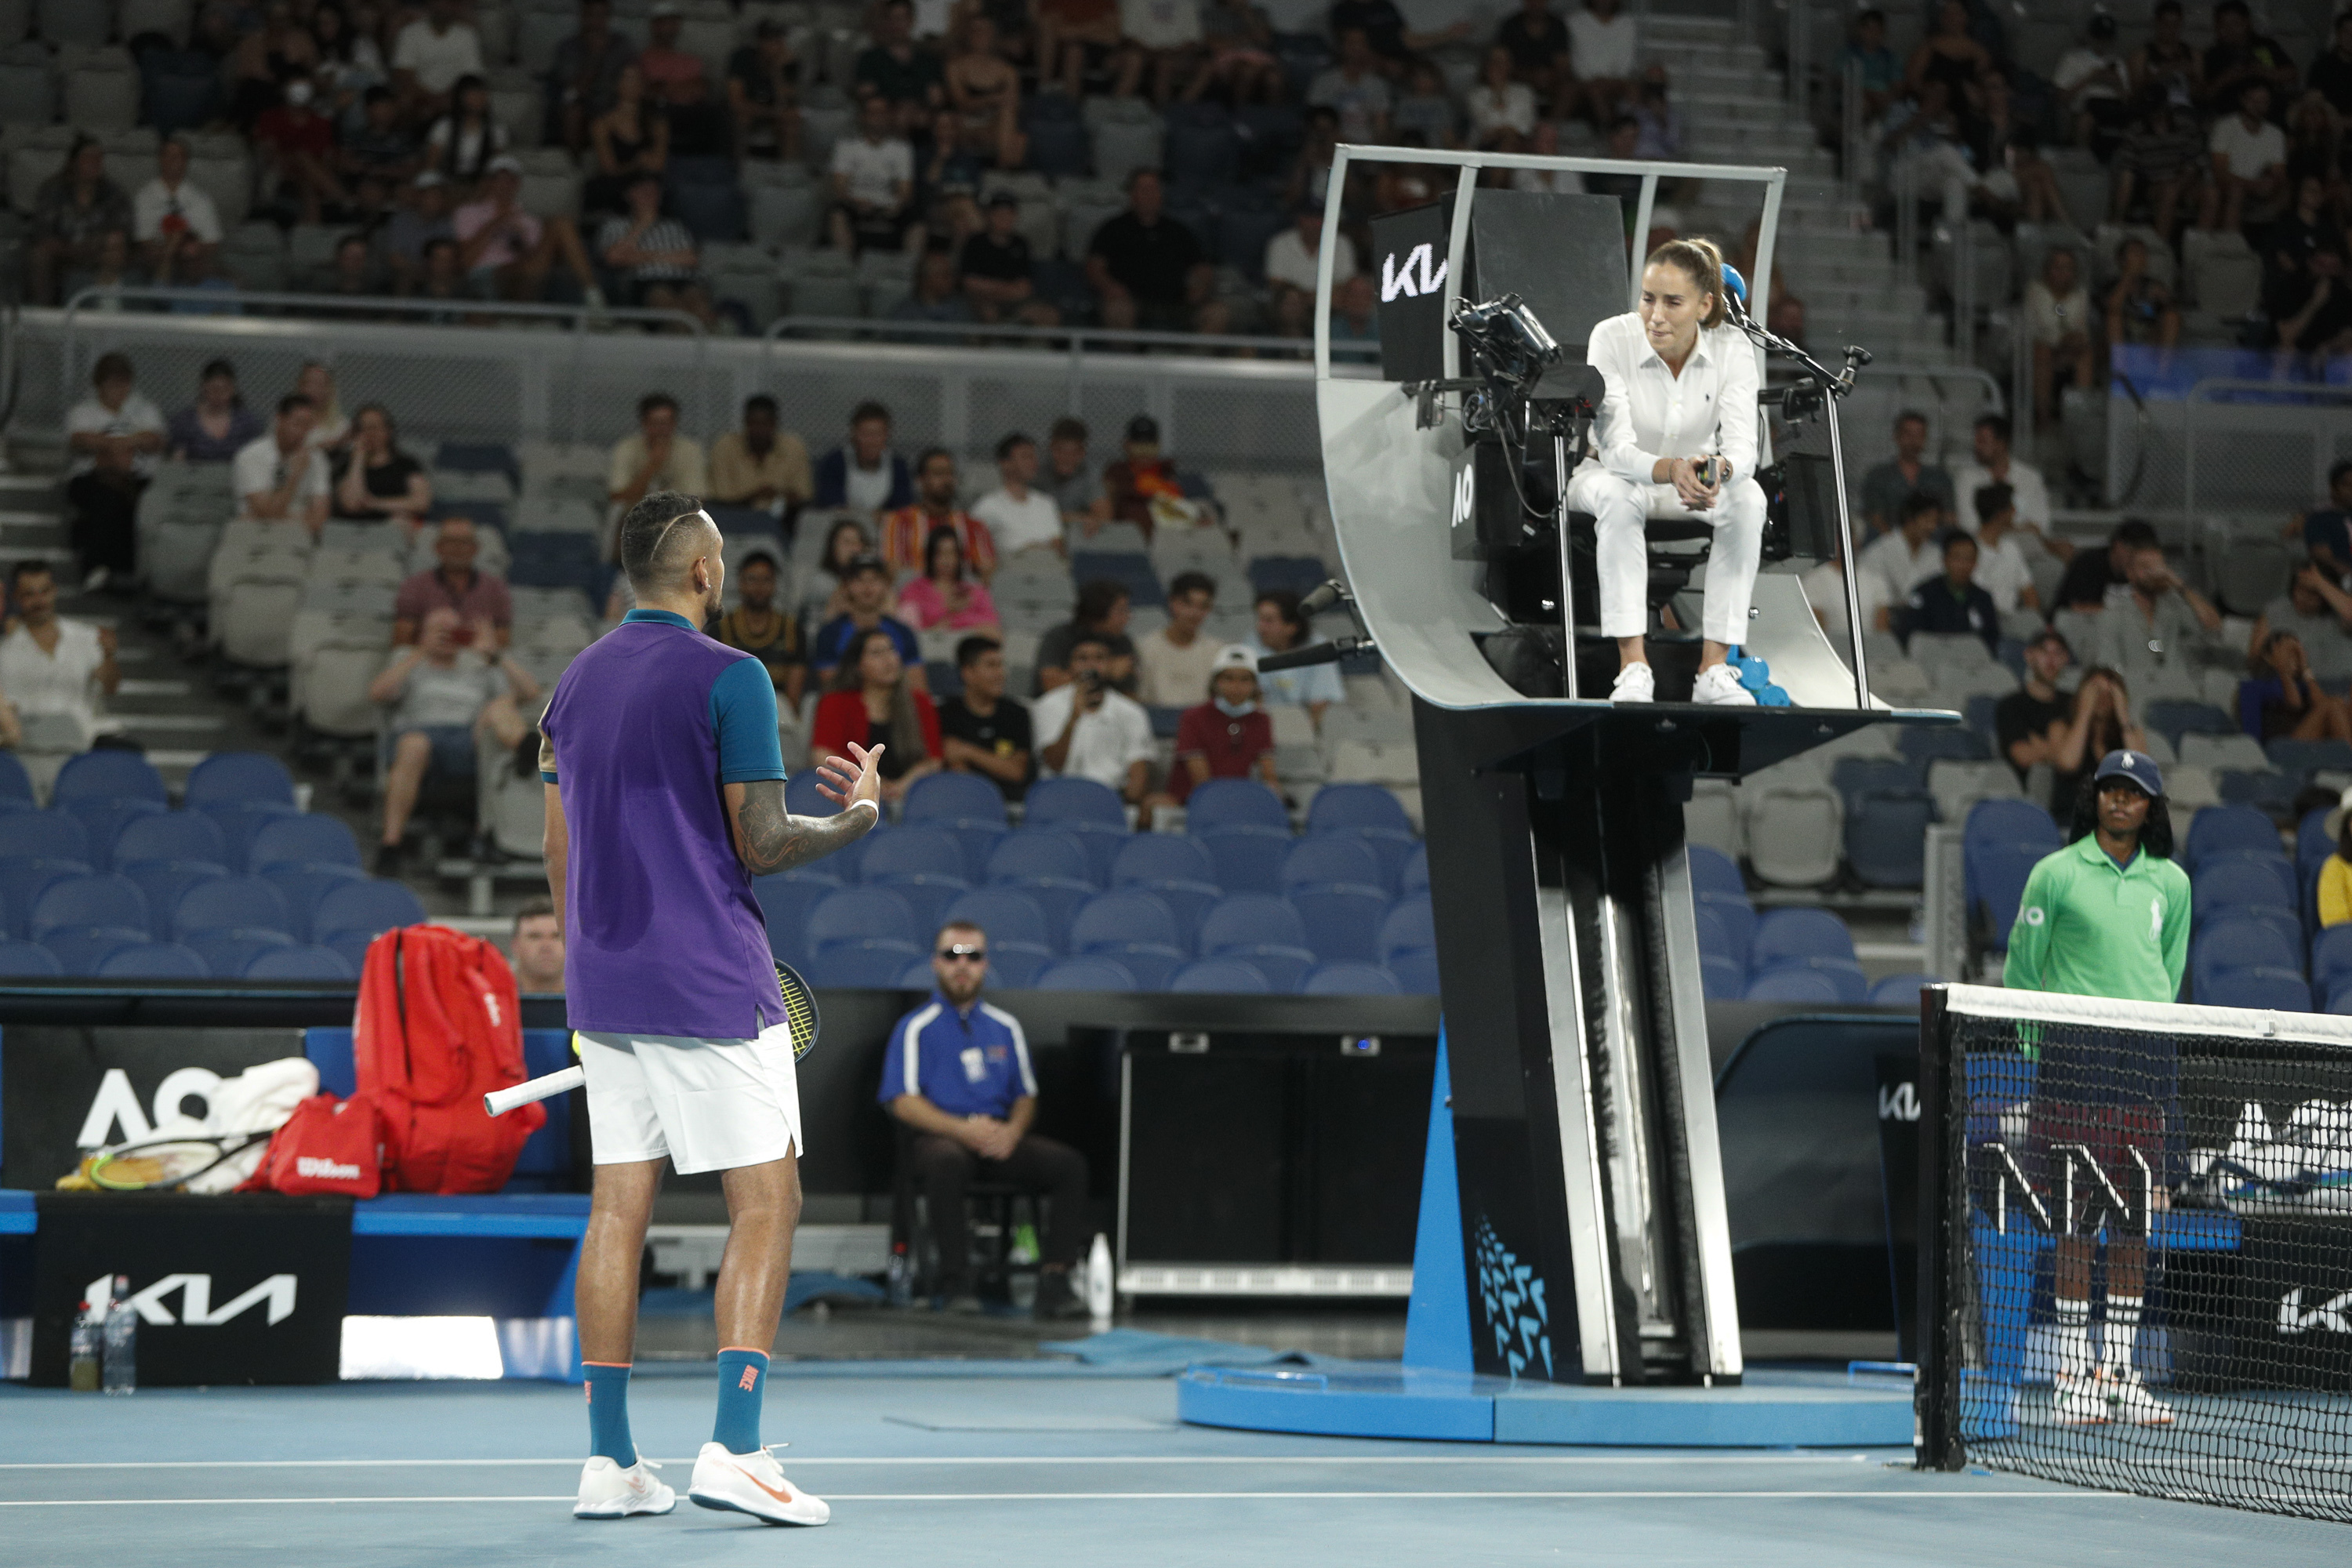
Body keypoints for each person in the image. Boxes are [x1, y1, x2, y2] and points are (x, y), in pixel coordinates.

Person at [539, 490, 878, 1526]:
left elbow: (557, 848)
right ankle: (735, 1446)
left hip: (604, 985)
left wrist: (588, 967)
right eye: (720, 556)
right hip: (709, 981)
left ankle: (610, 1463)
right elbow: (762, 842)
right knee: (766, 1204)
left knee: (616, 1209)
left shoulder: (572, 682)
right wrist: (858, 815)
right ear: (701, 571)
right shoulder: (735, 675)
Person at [2002, 747, 2187, 1432]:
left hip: (2144, 1060)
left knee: (2134, 1223)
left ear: (2150, 807)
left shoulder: (2173, 883)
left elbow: (2169, 970)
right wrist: (2037, 1046)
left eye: (2134, 793)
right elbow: (2023, 969)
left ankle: (2121, 1372)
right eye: (2111, 789)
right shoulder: (2054, 874)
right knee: (2075, 1220)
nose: (2121, 800)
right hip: (2073, 1059)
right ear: (2096, 797)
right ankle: (2074, 1372)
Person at [1563, 238, 1763, 706]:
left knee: (1749, 499)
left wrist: (1717, 472)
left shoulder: (1734, 346)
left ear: (1705, 305)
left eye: (1673, 302)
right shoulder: (1611, 337)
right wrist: (1671, 469)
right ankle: (1633, 666)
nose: (1655, 315)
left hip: (1691, 481)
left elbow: (1742, 449)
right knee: (1618, 498)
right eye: (1648, 298)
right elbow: (1616, 450)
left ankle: (1714, 669)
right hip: (1611, 475)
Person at [881, 920, 1090, 1316]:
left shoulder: (1005, 1026)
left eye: (972, 956)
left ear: (985, 964)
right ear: (936, 963)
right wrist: (962, 1130)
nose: (962, 965)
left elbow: (1026, 1096)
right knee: (946, 1161)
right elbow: (902, 1102)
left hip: (997, 1139)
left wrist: (1012, 1132)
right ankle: (956, 1282)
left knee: (1069, 1166)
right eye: (952, 955)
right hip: (940, 1137)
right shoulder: (915, 1027)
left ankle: (1056, 1281)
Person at [368, 605, 542, 869]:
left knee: (500, 706)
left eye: (453, 631)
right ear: (423, 633)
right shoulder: (408, 657)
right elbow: (377, 693)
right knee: (414, 745)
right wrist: (422, 651)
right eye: (439, 630)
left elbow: (531, 693)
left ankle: (527, 750)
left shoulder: (479, 662)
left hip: (469, 739)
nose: (446, 636)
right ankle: (391, 845)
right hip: (421, 735)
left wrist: (496, 655)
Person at [64, 354, 166, 593]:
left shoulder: (144, 409)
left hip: (137, 479)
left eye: (124, 383)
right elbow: (79, 440)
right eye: (113, 384)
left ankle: (131, 571)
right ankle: (98, 567)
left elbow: (155, 440)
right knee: (107, 499)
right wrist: (125, 444)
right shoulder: (84, 411)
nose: (120, 390)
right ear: (100, 385)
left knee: (140, 501)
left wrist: (114, 444)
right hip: (92, 479)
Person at [1086, 169, 1229, 336]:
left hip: (1178, 303)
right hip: (1131, 302)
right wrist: (1110, 287)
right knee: (1116, 310)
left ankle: (1191, 353)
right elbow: (1094, 266)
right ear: (1132, 194)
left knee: (1218, 313)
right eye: (1143, 189)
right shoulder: (1112, 229)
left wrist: (1199, 285)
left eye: (1154, 189)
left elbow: (1202, 267)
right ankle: (1127, 353)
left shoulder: (1179, 231)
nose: (1149, 195)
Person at [810, 626, 942, 802]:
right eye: (876, 653)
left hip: (912, 796)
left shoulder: (920, 703)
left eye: (892, 650)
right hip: (853, 795)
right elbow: (822, 756)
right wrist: (869, 782)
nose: (888, 659)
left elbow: (933, 760)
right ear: (858, 666)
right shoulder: (836, 702)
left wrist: (903, 785)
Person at [0, 561, 118, 754]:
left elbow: (110, 688)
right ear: (16, 598)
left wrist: (108, 657)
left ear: (54, 591)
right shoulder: (5, 651)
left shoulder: (87, 638)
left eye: (44, 591)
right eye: (29, 594)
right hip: (29, 747)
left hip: (86, 741)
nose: (39, 601)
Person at [1032, 632, 1157, 804]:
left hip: (1110, 798)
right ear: (1070, 666)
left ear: (1110, 664)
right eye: (1082, 659)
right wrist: (1074, 717)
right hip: (1059, 797)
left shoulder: (1131, 712)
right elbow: (1054, 763)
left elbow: (1138, 774)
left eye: (1099, 658)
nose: (1091, 665)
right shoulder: (1048, 705)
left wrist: (1123, 809)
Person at [456, 156, 601, 305]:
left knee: (561, 224)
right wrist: (497, 223)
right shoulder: (468, 213)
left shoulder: (529, 220)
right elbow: (466, 261)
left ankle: (594, 298)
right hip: (483, 277)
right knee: (518, 272)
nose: (504, 185)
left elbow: (535, 263)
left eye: (509, 180)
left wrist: (520, 241)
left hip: (524, 280)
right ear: (489, 182)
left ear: (517, 184)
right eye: (498, 179)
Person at [2091, 540, 2222, 694]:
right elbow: (2109, 668)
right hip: (2135, 693)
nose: (2154, 572)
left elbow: (2213, 626)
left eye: (2159, 566)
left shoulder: (2175, 608)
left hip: (2177, 692)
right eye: (2146, 567)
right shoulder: (2114, 615)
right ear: (2130, 573)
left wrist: (2178, 584)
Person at [596, 172, 718, 326]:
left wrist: (640, 256)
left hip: (684, 279)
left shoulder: (674, 226)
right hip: (646, 282)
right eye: (643, 191)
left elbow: (690, 258)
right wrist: (642, 225)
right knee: (666, 303)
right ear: (628, 194)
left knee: (699, 305)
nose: (649, 196)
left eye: (653, 191)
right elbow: (613, 258)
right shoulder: (615, 226)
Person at [27, 138, 134, 306]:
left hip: (99, 256)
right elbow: (43, 235)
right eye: (88, 157)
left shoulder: (114, 194)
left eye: (98, 158)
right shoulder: (53, 190)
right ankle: (44, 314)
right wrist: (74, 249)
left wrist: (98, 246)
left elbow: (122, 233)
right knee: (39, 255)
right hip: (62, 257)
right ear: (73, 162)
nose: (95, 162)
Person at [1171, 644, 1276, 803]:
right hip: (1190, 799)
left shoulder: (1261, 720)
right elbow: (1201, 779)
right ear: (1216, 682)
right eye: (1229, 678)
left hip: (1239, 799)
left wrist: (1274, 798)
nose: (1236, 686)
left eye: (1245, 679)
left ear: (1255, 685)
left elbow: (1268, 773)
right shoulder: (1193, 717)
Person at [706, 549, 806, 712]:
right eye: (752, 579)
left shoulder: (792, 630)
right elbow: (716, 686)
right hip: (734, 711)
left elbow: (793, 699)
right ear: (740, 582)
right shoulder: (721, 630)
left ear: (775, 583)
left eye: (766, 579)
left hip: (779, 714)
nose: (759, 587)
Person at [394, 515, 514, 647]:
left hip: (479, 655)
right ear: (438, 547)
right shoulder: (414, 585)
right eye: (450, 542)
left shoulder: (496, 588)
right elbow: (401, 642)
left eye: (464, 542)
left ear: (475, 548)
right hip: (427, 654)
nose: (458, 548)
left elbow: (503, 641)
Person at [938, 634, 1033, 798]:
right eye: (991, 665)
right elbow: (954, 767)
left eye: (1001, 665)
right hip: (958, 799)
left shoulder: (1017, 714)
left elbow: (1016, 771)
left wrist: (967, 751)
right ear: (967, 673)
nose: (1001, 673)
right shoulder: (945, 714)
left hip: (1009, 804)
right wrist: (997, 763)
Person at [881, 450, 997, 583]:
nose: (946, 480)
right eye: (938, 473)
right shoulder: (899, 521)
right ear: (920, 480)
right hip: (915, 592)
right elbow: (893, 570)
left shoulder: (973, 525)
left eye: (950, 474)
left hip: (962, 593)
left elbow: (987, 571)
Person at [2109, 88, 2206, 240]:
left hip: (2186, 181)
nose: (2156, 113)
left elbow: (2195, 162)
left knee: (2211, 195)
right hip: (2153, 185)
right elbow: (2127, 174)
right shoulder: (2135, 132)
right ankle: (2160, 245)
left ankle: (2201, 245)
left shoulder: (2186, 126)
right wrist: (2118, 216)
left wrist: (2181, 182)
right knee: (2169, 192)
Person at [810, 554, 923, 683]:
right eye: (859, 580)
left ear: (886, 586)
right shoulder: (830, 634)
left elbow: (917, 686)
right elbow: (830, 687)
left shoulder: (903, 632)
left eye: (875, 579)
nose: (867, 586)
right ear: (846, 586)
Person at [828, 95, 919, 256]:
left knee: (917, 221)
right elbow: (839, 187)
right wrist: (854, 202)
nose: (878, 117)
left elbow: (905, 190)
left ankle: (907, 267)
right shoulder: (846, 146)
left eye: (882, 112)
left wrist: (897, 205)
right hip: (856, 204)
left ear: (889, 116)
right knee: (837, 215)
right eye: (873, 112)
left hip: (889, 206)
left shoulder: (902, 148)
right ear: (863, 116)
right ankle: (844, 264)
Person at [133, 136, 223, 288]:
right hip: (155, 265)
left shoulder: (201, 199)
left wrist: (190, 250)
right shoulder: (144, 197)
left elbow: (212, 241)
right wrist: (169, 250)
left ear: (186, 161)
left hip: (193, 266)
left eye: (178, 156)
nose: (172, 160)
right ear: (160, 159)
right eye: (168, 155)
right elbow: (143, 241)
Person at [234, 395, 331, 535]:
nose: (303, 432)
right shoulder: (250, 456)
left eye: (308, 426)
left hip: (301, 536)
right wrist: (294, 475)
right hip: (256, 534)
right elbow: (267, 514)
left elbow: (319, 519)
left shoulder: (317, 458)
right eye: (298, 424)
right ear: (279, 420)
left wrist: (281, 519)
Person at [960, 192, 1059, 327]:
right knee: (988, 312)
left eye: (1008, 214)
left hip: (1014, 302)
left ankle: (1025, 337)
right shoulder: (976, 242)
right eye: (999, 214)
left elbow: (1025, 287)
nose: (1004, 218)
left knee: (1049, 315)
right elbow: (970, 283)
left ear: (1015, 216)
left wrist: (994, 288)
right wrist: (1006, 289)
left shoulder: (1020, 244)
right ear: (989, 215)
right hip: (983, 301)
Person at [2201, 81, 2289, 232]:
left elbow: (2278, 173)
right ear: (2243, 100)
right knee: (2232, 193)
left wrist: (2269, 183)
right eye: (2254, 100)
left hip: (2257, 192)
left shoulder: (2276, 134)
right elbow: (2220, 173)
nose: (2258, 106)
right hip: (2223, 187)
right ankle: (2225, 242)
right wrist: (2253, 185)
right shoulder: (2225, 126)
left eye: (2263, 101)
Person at [1950, 413, 2054, 540]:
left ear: (2002, 443)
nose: (1977, 446)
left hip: (2023, 546)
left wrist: (1996, 529)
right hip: (1982, 545)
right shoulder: (1967, 478)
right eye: (1976, 441)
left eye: (1983, 441)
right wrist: (2014, 528)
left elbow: (2041, 526)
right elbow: (1969, 524)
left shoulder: (2030, 478)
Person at [2025, 248, 2097, 432]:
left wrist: (2072, 341)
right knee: (2042, 351)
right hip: (2035, 349)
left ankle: (2080, 419)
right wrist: (2062, 339)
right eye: (2057, 267)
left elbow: (2081, 329)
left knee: (2086, 354)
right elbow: (2037, 328)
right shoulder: (2035, 291)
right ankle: (2043, 418)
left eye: (2067, 268)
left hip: (2068, 350)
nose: (2062, 272)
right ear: (2047, 269)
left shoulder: (2080, 295)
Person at [1248, 587, 1343, 726]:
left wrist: (1299, 733)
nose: (1260, 627)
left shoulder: (1320, 649)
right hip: (1260, 726)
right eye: (1260, 619)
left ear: (1291, 627)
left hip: (1304, 728)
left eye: (1268, 621)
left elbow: (1320, 704)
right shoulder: (1251, 643)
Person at [552, 0, 638, 153]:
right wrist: (595, 56)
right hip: (585, 105)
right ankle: (574, 160)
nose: (596, 22)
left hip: (616, 103)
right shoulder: (568, 47)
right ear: (583, 17)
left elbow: (634, 78)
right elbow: (574, 90)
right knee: (573, 112)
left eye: (601, 16)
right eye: (591, 15)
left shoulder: (621, 45)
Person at [331, 403, 434, 531]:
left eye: (374, 427)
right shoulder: (345, 465)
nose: (369, 433)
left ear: (388, 430)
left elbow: (421, 502)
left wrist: (375, 503)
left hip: (390, 528)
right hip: (351, 529)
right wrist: (358, 458)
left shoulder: (406, 465)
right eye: (363, 429)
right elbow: (352, 504)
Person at [1895, 530, 2000, 655]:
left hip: (1971, 661)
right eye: (1957, 558)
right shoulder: (1924, 593)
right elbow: (1909, 636)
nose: (1963, 565)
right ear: (1945, 560)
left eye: (1969, 559)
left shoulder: (1983, 598)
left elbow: (1991, 641)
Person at [708, 396, 812, 520]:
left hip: (784, 520)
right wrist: (757, 495)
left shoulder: (794, 447)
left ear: (775, 424)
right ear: (745, 423)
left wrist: (778, 495)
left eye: (766, 424)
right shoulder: (725, 447)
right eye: (754, 423)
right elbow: (720, 499)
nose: (759, 430)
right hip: (734, 518)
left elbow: (804, 496)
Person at [2248, 562, 2352, 682]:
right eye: (2299, 588)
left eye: (2312, 592)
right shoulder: (2275, 611)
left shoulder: (2339, 614)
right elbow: (2254, 659)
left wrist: (2319, 582)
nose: (2302, 596)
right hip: (2291, 686)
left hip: (2341, 684)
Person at [2240, 630, 2352, 742]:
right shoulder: (2253, 687)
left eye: (2297, 653)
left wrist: (2305, 669)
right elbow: (2295, 705)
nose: (2294, 658)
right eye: (2288, 651)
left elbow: (2322, 704)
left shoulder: (2304, 686)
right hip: (2278, 745)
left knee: (2339, 703)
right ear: (2269, 656)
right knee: (2333, 705)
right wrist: (2284, 673)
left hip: (2309, 742)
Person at [586, 63, 667, 215]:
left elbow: (658, 164)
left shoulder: (656, 122)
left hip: (648, 183)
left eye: (638, 78)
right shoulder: (602, 124)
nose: (634, 83)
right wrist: (637, 163)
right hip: (617, 184)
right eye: (628, 78)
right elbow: (609, 168)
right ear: (616, 83)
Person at [1264, 205, 1356, 337]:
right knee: (1290, 300)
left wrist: (1312, 297)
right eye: (1309, 218)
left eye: (1319, 218)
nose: (1314, 223)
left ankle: (1338, 343)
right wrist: (1305, 298)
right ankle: (1290, 345)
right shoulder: (1280, 242)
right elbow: (1275, 282)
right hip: (1293, 301)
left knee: (1352, 296)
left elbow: (1348, 282)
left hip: (1331, 303)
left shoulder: (1342, 242)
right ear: (1299, 219)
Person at [1857, 491, 1945, 630]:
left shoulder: (1937, 554)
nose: (1932, 527)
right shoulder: (1878, 552)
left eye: (1935, 522)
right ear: (1910, 518)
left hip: (1927, 624)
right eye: (1927, 519)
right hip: (1888, 623)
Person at [1995, 627, 2074, 782]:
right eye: (2044, 652)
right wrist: (2064, 751)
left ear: (2066, 659)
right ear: (2029, 656)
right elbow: (2023, 756)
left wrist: (2042, 746)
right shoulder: (2011, 706)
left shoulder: (2074, 703)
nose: (2051, 660)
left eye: (2058, 653)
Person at [1860, 410, 1956, 535]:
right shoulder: (1878, 476)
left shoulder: (1940, 478)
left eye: (1919, 435)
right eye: (1908, 434)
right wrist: (1899, 543)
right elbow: (1875, 517)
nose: (1913, 440)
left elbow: (1948, 518)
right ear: (1896, 436)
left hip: (1931, 542)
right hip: (1887, 541)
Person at [1135, 570, 1221, 707]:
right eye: (1188, 604)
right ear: (1172, 602)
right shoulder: (1145, 648)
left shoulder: (1216, 651)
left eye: (1203, 606)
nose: (1194, 613)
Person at [608, 392, 708, 510]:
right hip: (633, 513)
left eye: (666, 423)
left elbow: (697, 497)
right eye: (655, 423)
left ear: (675, 423)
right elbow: (617, 496)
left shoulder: (690, 450)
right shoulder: (626, 448)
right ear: (644, 423)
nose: (661, 429)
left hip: (678, 513)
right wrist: (652, 466)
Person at [971, 433, 1066, 557]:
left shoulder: (1046, 503)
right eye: (1026, 456)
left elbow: (1059, 546)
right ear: (1005, 463)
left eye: (1034, 456)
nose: (1033, 462)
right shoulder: (987, 506)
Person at [1036, 579, 1138, 694]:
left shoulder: (1122, 642)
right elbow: (1050, 685)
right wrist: (1104, 672)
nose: (1128, 617)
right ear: (1099, 611)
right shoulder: (1059, 637)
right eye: (1121, 610)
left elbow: (1129, 696)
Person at [813, 401, 915, 513]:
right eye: (866, 434)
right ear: (854, 434)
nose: (871, 441)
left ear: (887, 435)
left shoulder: (898, 466)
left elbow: (902, 507)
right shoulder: (834, 463)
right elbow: (831, 504)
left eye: (877, 434)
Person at [393, 0, 485, 124]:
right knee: (404, 99)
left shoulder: (467, 35)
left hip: (454, 99)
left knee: (473, 95)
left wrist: (446, 100)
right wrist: (432, 100)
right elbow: (404, 75)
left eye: (447, 3)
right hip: (420, 100)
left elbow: (470, 76)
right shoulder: (410, 33)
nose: (442, 7)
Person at [897, 527, 1001, 635]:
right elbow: (909, 634)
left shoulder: (975, 592)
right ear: (930, 556)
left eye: (952, 553)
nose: (947, 560)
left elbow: (992, 627)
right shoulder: (913, 591)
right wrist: (949, 613)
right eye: (940, 554)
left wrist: (956, 623)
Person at [728, 17, 802, 162]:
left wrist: (778, 71)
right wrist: (773, 112)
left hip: (775, 112)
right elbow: (736, 101)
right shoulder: (742, 58)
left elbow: (788, 102)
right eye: (770, 40)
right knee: (742, 118)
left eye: (779, 39)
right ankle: (739, 168)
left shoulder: (789, 63)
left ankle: (787, 170)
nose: (776, 45)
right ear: (760, 41)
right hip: (752, 110)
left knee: (792, 122)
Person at [2056, 12, 2132, 151]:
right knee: (2086, 121)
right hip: (2084, 109)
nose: (2103, 42)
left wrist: (2116, 82)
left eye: (2107, 38)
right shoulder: (2072, 59)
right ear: (2091, 36)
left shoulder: (2118, 63)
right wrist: (2090, 79)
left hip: (2114, 109)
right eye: (2099, 37)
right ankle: (2083, 155)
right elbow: (2061, 97)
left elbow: (2128, 100)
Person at [168, 358, 266, 463]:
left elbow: (257, 457)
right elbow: (176, 461)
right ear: (203, 388)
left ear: (233, 389)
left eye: (224, 389)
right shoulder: (185, 422)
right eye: (214, 389)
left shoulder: (247, 423)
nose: (219, 395)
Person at [2055, 517, 2161, 612]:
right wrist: (2126, 612)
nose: (2137, 558)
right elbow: (2077, 607)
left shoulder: (2142, 572)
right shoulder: (2089, 563)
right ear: (2118, 545)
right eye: (2134, 551)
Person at [1308, 27, 1391, 143]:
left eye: (1360, 43)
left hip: (1365, 146)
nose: (1355, 47)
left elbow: (1381, 126)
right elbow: (1316, 122)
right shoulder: (1324, 81)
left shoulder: (1377, 84)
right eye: (1351, 42)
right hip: (1331, 145)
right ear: (1341, 46)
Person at [1967, 482, 2038, 615]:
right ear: (2000, 514)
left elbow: (2029, 593)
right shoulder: (1969, 549)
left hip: (2011, 621)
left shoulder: (2011, 548)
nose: (2015, 512)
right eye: (2011, 507)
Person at [1567, 0, 1639, 128]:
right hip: (1584, 82)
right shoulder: (1574, 21)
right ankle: (1609, 130)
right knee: (1595, 91)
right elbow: (1577, 60)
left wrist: (1608, 81)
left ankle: (1627, 132)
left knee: (1635, 89)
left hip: (1616, 81)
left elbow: (1626, 64)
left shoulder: (1627, 24)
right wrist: (1593, 80)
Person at [2103, 235, 2182, 350]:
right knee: (2113, 317)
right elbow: (2111, 307)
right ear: (2122, 259)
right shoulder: (2110, 285)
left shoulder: (2154, 285)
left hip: (2149, 336)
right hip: (2121, 337)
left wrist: (2164, 297)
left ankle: (2164, 362)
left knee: (2172, 317)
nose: (2141, 257)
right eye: (2135, 253)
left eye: (2143, 253)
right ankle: (2119, 362)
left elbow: (2173, 308)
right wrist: (2128, 277)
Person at [800, 516, 875, 629]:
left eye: (858, 542)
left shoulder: (872, 581)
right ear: (833, 547)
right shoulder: (821, 581)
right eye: (847, 542)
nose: (854, 548)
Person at [2295, 459, 2352, 574]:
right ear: (2333, 489)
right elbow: (2322, 555)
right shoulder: (2320, 519)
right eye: (2347, 485)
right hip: (2339, 577)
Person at [510, 898, 567, 994]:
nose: (546, 946)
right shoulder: (491, 998)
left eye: (557, 936)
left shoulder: (589, 997)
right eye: (535, 937)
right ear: (515, 945)